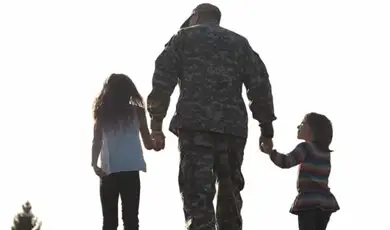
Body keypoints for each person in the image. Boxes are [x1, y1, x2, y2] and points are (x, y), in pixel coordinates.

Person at [146, 3, 276, 230]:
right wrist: (266, 130)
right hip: (232, 130)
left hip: (195, 128)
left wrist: (156, 124)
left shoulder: (182, 38)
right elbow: (259, 86)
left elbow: (163, 80)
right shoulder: (239, 43)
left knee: (197, 197)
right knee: (230, 198)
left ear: (195, 17)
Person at [91, 73, 154, 230]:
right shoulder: (137, 111)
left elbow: (97, 141)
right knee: (131, 219)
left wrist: (94, 164)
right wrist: (156, 142)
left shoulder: (102, 113)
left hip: (109, 170)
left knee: (109, 221)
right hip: (131, 169)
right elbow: (148, 143)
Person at [261, 112, 340, 230]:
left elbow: (286, 162)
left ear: (313, 130)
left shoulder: (305, 147)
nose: (299, 126)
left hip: (309, 202)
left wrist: (271, 152)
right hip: (325, 202)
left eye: (303, 124)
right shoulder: (325, 154)